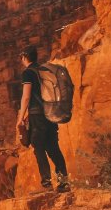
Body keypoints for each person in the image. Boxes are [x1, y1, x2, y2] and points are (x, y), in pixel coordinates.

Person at [16, 45, 70, 192]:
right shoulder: (44, 70)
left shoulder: (28, 73)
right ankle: (63, 182)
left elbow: (26, 96)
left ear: (25, 57)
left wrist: (21, 117)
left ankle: (46, 183)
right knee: (53, 148)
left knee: (38, 147)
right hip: (51, 114)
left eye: (21, 57)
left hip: (37, 116)